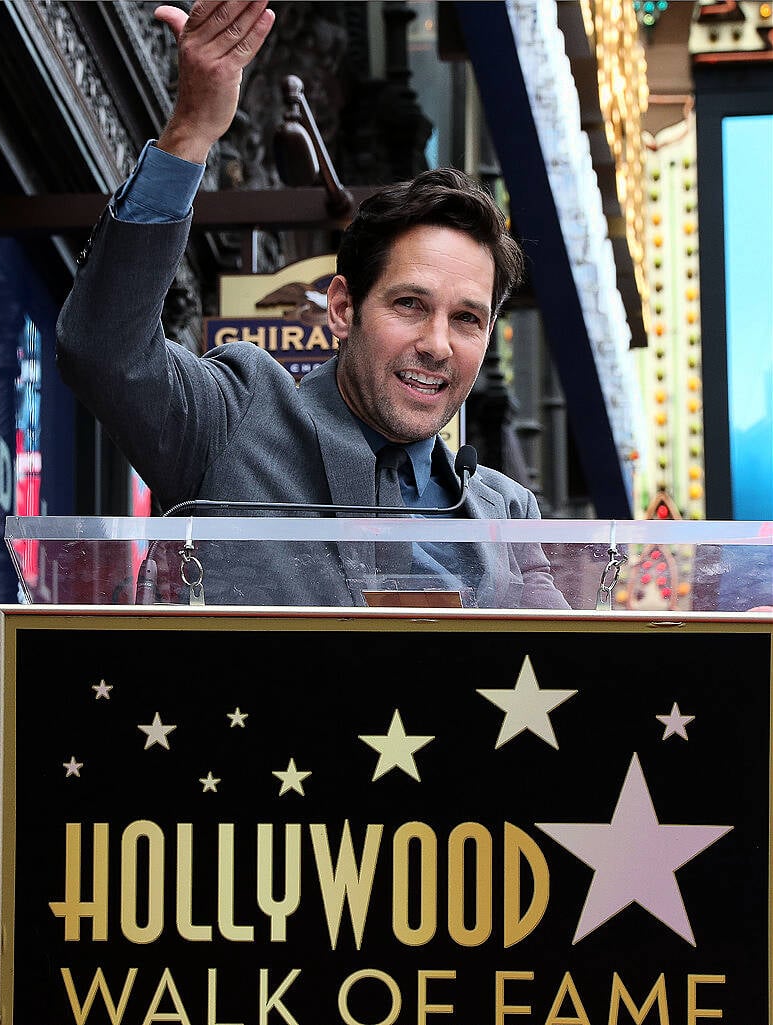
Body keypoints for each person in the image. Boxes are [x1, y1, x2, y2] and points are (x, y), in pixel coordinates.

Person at [56, 0, 570, 611]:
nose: (438, 344)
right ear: (342, 308)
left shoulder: (508, 513)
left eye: (467, 319)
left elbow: (562, 674)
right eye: (410, 305)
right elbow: (103, 349)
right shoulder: (237, 420)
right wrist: (190, 131)